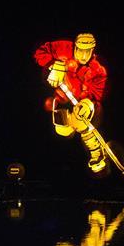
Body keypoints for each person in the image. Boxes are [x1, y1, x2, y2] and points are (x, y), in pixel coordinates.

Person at [34, 33, 107, 173]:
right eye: (80, 50)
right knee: (62, 130)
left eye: (88, 51)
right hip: (62, 99)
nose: (84, 55)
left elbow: (97, 94)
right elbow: (39, 52)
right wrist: (53, 65)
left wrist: (87, 104)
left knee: (82, 121)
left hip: (81, 102)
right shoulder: (62, 48)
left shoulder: (98, 69)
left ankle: (96, 153)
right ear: (75, 46)